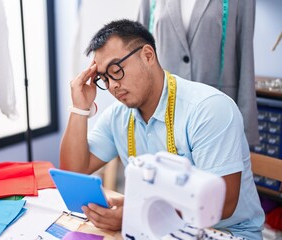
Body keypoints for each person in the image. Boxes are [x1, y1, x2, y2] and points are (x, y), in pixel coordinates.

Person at [60, 19, 264, 239]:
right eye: (104, 78)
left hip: (225, 232)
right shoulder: (118, 116)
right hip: (156, 228)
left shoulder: (208, 109)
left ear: (148, 55)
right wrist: (80, 108)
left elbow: (223, 204)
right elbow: (73, 172)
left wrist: (137, 212)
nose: (112, 86)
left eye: (116, 70)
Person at [137, 0, 259, 147]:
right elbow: (136, 54)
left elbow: (246, 59)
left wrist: (246, 133)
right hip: (162, 116)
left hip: (217, 119)